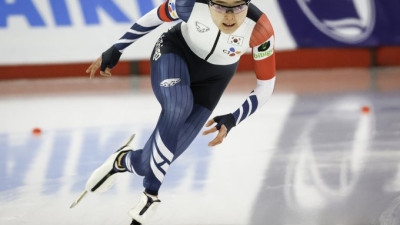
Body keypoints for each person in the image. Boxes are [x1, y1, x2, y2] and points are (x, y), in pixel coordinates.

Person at [83, 0, 276, 224]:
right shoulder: (190, 5)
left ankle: (122, 161)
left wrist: (234, 118)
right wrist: (117, 48)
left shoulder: (260, 30)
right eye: (221, 7)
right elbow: (154, 16)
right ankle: (151, 194)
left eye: (238, 7)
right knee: (178, 105)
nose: (230, 16)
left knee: (148, 164)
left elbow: (266, 86)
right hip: (175, 53)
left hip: (214, 82)